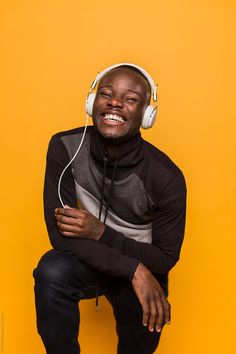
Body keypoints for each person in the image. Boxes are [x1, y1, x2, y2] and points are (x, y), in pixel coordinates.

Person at [33, 63, 187, 354]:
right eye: (106, 93)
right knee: (51, 271)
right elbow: (60, 234)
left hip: (146, 270)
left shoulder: (167, 178)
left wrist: (100, 232)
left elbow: (164, 259)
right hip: (101, 262)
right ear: (92, 103)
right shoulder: (65, 148)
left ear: (146, 115)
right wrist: (133, 268)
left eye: (130, 99)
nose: (115, 102)